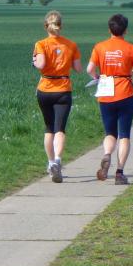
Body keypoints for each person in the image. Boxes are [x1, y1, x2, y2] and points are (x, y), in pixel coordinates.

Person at [87, 14, 133, 185]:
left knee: (110, 133)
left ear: (109, 29)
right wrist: (131, 72)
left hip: (106, 93)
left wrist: (97, 77)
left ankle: (107, 154)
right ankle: (119, 173)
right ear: (125, 30)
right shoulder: (132, 48)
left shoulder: (99, 47)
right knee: (124, 135)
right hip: (125, 93)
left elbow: (89, 69)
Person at [33, 11, 82, 183]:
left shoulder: (41, 44)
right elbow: (78, 69)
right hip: (63, 90)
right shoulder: (71, 45)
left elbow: (41, 64)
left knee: (49, 128)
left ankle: (51, 162)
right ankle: (58, 160)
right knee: (60, 128)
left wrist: (34, 61)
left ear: (46, 26)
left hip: (45, 89)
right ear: (61, 26)